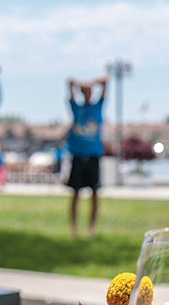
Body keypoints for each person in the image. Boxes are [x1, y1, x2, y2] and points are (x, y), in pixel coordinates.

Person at [66, 75, 107, 238]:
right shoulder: (76, 107)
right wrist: (80, 84)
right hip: (77, 155)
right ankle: (74, 229)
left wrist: (92, 83)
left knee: (95, 194)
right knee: (75, 193)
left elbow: (106, 81)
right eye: (86, 91)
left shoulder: (98, 107)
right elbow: (69, 82)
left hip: (93, 156)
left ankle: (91, 229)